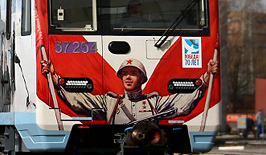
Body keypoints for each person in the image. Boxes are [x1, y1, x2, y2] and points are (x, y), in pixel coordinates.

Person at [41, 57, 218, 124]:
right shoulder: (110, 102)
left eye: (133, 73)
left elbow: (181, 102)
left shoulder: (153, 102)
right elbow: (80, 101)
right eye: (124, 74)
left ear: (142, 79)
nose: (128, 77)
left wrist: (206, 78)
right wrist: (56, 80)